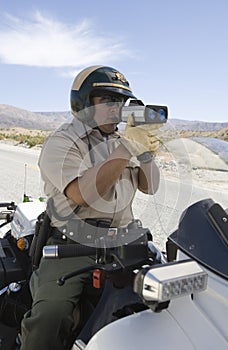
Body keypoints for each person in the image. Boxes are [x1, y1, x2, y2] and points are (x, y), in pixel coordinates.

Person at [20, 65, 161, 350]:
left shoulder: (123, 142)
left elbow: (150, 186)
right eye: (108, 100)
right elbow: (82, 194)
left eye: (120, 102)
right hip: (71, 246)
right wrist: (127, 149)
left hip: (123, 244)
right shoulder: (62, 142)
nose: (117, 108)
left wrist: (143, 151)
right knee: (50, 316)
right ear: (84, 102)